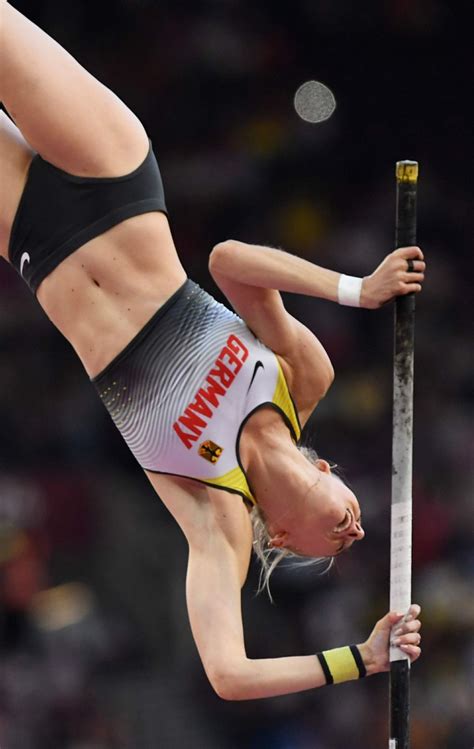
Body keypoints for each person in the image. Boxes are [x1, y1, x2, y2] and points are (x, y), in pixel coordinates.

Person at [0, 1, 423, 700]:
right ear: (326, 466)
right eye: (356, 515)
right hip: (114, 174)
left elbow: (228, 674)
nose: (356, 528)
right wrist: (358, 288)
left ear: (281, 539)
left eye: (337, 546)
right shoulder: (301, 377)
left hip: (37, 246)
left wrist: (362, 657)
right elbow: (229, 260)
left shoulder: (216, 518)